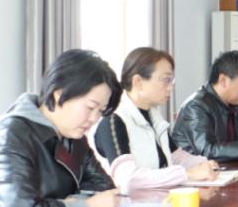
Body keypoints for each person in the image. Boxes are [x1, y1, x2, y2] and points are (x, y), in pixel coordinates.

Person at [0, 50, 121, 207]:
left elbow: (104, 187)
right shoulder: (12, 134)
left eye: (100, 111)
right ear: (59, 94)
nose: (94, 118)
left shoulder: (74, 136)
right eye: (90, 107)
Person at [92, 47, 217, 192]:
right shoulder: (113, 120)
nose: (170, 88)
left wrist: (204, 164)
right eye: (166, 80)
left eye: (172, 81)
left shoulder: (153, 114)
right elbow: (128, 178)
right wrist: (187, 174)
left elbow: (176, 157)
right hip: (127, 203)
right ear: (138, 82)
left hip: (158, 199)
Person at [171, 50, 238, 161]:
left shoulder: (233, 103)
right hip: (195, 171)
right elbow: (207, 151)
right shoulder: (196, 106)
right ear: (223, 80)